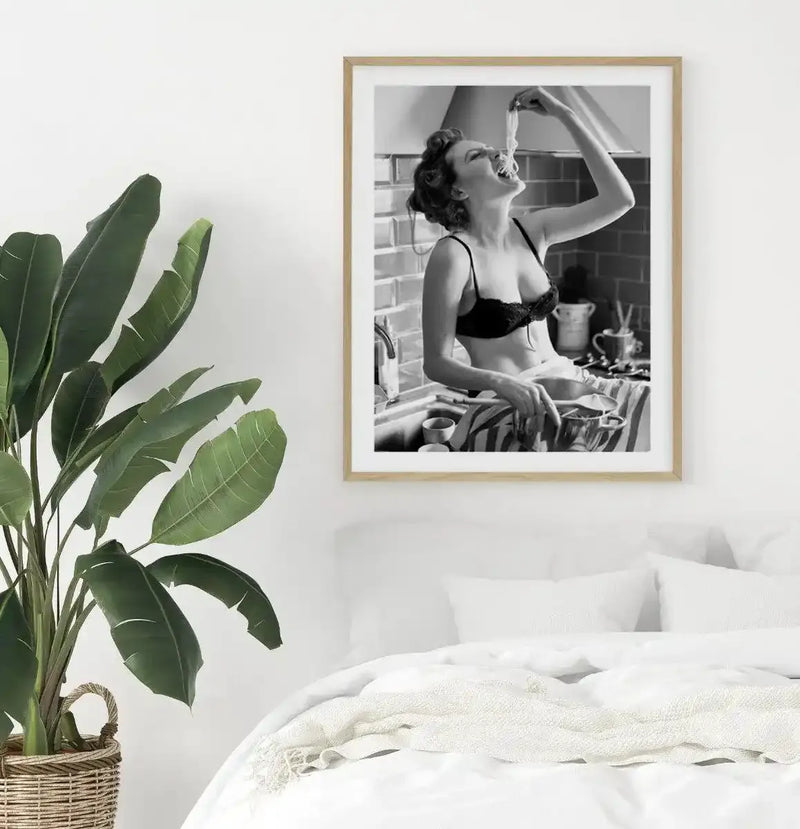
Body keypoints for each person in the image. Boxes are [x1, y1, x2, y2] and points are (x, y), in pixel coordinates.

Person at [406, 86, 649, 451]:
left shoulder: (533, 230)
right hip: (509, 408)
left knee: (662, 410)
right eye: (476, 156)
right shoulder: (453, 255)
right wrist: (501, 382)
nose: (496, 152)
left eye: (492, 148)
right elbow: (436, 363)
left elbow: (621, 199)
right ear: (458, 192)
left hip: (571, 387)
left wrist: (566, 114)